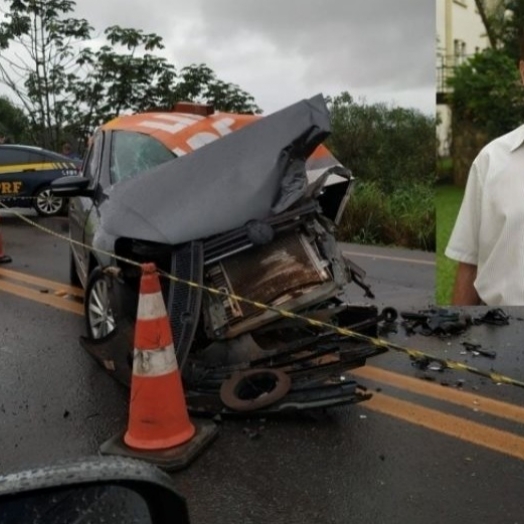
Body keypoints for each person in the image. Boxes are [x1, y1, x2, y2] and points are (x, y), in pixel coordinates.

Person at [445, 36, 524, 306]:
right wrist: (453, 347)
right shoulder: (490, 161)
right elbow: (469, 264)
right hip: (502, 338)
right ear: (523, 73)